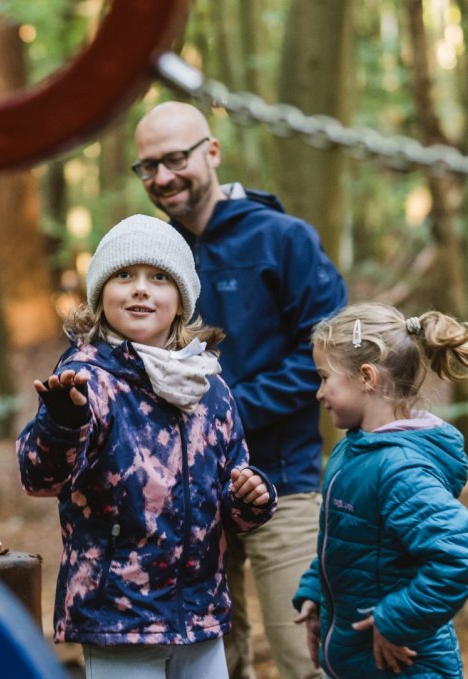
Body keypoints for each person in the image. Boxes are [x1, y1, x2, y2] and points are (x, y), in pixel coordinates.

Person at [134, 101, 348, 679]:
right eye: (148, 167)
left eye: (175, 159)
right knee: (210, 664)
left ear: (212, 152)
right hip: (188, 496)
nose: (162, 177)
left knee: (307, 656)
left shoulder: (283, 239)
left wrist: (221, 413)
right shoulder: (154, 255)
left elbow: (325, 358)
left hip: (285, 479)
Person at [18, 215, 277, 679]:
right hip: (119, 616)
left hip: (200, 615)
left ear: (180, 301)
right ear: (100, 296)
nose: (141, 289)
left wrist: (251, 498)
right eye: (124, 276)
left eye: (158, 277)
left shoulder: (209, 388)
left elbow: (231, 499)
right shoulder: (87, 379)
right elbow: (40, 477)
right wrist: (62, 423)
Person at [292, 303, 468, 678]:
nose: (319, 393)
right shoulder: (353, 450)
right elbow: (346, 538)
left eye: (325, 378)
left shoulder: (400, 468)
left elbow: (458, 558)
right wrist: (315, 591)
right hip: (360, 663)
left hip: (406, 667)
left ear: (367, 377)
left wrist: (395, 621)